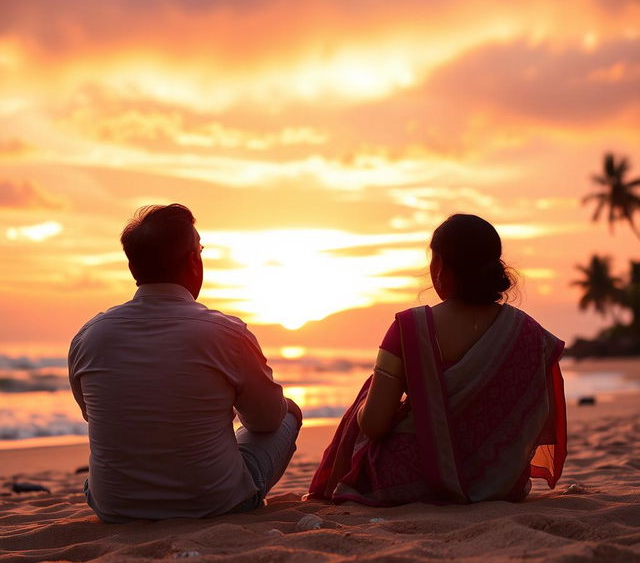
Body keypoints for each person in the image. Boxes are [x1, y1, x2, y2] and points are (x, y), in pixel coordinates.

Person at [308, 214, 566, 505]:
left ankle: (328, 490)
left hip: (413, 477)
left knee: (370, 393)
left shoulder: (410, 329)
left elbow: (374, 426)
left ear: (440, 266)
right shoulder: (529, 333)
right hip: (501, 480)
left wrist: (362, 411)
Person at [68, 204, 301, 522]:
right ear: (194, 261)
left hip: (114, 506)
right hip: (216, 503)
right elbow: (267, 422)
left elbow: (94, 414)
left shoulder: (89, 336)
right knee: (288, 410)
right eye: (200, 250)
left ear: (133, 267)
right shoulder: (226, 333)